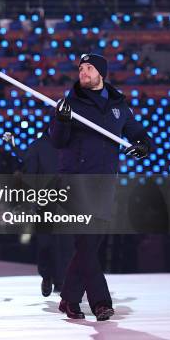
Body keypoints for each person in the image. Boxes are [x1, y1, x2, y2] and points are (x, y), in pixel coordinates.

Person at [49, 53, 152, 321]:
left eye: (89, 68)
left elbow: (137, 131)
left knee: (89, 246)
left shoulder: (119, 105)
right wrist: (61, 120)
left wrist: (144, 144)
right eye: (81, 68)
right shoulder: (69, 103)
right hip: (76, 182)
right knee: (86, 245)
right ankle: (100, 303)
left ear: (101, 74)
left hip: (104, 184)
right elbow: (58, 142)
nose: (83, 72)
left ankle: (69, 299)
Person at [23, 131, 73, 297]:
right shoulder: (37, 146)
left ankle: (62, 282)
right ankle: (47, 275)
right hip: (43, 202)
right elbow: (29, 176)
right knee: (46, 244)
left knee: (65, 245)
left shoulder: (71, 143)